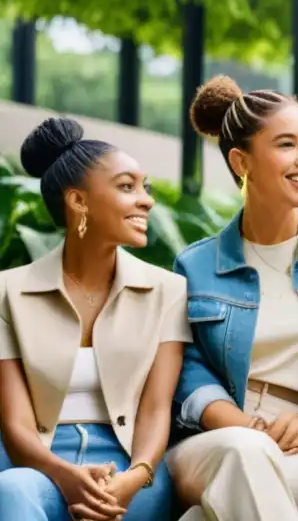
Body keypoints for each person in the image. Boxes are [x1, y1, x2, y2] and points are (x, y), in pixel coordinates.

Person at [165, 76, 298, 521]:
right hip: (219, 440)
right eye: (286, 145)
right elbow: (188, 373)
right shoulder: (196, 266)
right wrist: (247, 429)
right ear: (242, 162)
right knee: (245, 454)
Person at [0, 116, 189, 521]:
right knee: (13, 490)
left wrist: (134, 476)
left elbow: (156, 410)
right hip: (38, 466)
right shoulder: (6, 292)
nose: (146, 200)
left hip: (131, 469)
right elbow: (15, 424)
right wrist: (64, 475)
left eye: (146, 188)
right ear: (78, 201)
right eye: (127, 187)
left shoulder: (167, 291)